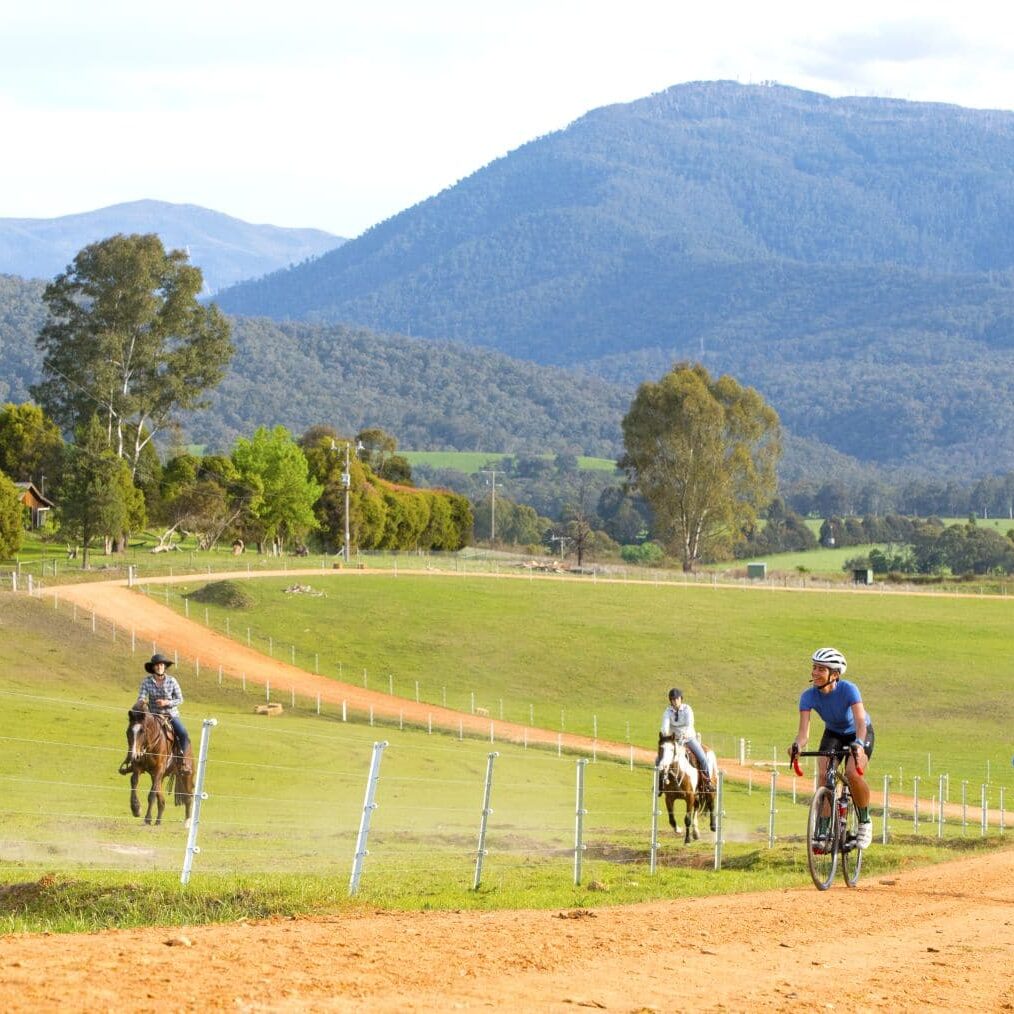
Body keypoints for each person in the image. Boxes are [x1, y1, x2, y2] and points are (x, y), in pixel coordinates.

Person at [789, 647, 874, 849]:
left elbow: (861, 723)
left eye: (821, 669)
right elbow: (803, 734)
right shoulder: (807, 697)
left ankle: (865, 822)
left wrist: (860, 745)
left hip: (859, 732)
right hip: (834, 733)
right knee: (824, 775)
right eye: (814, 667)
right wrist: (797, 746)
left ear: (834, 675)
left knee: (853, 774)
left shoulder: (849, 689)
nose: (815, 673)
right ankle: (823, 829)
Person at [122, 652, 192, 774]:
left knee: (183, 733)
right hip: (152, 715)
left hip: (170, 715)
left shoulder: (172, 681)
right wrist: (140, 703)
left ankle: (184, 762)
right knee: (136, 731)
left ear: (165, 667)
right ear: (153, 667)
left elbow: (180, 699)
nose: (159, 667)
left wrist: (167, 702)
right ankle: (131, 760)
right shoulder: (147, 682)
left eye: (162, 665)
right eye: (157, 665)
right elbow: (142, 696)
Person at [656, 687, 713, 795]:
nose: (675, 701)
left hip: (689, 738)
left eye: (677, 699)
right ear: (670, 701)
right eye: (672, 699)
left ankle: (707, 782)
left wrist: (684, 735)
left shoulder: (687, 709)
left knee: (703, 758)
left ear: (681, 699)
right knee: (658, 760)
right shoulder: (668, 711)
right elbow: (665, 724)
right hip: (675, 741)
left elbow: (689, 724)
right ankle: (659, 784)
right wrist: (664, 734)